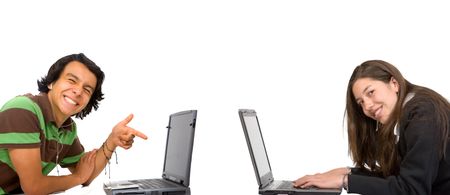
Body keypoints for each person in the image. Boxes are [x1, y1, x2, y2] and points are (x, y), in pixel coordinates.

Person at [293, 60, 450, 195]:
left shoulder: (423, 114)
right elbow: (400, 178)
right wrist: (349, 172)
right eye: (360, 102)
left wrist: (345, 181)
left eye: (371, 92)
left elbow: (411, 190)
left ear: (394, 84)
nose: (367, 106)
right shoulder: (409, 112)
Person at [0, 53, 148, 194]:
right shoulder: (23, 110)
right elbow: (33, 187)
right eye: (71, 80)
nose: (78, 91)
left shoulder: (67, 129)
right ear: (51, 82)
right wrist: (77, 178)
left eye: (87, 89)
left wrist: (112, 140)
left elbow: (86, 174)